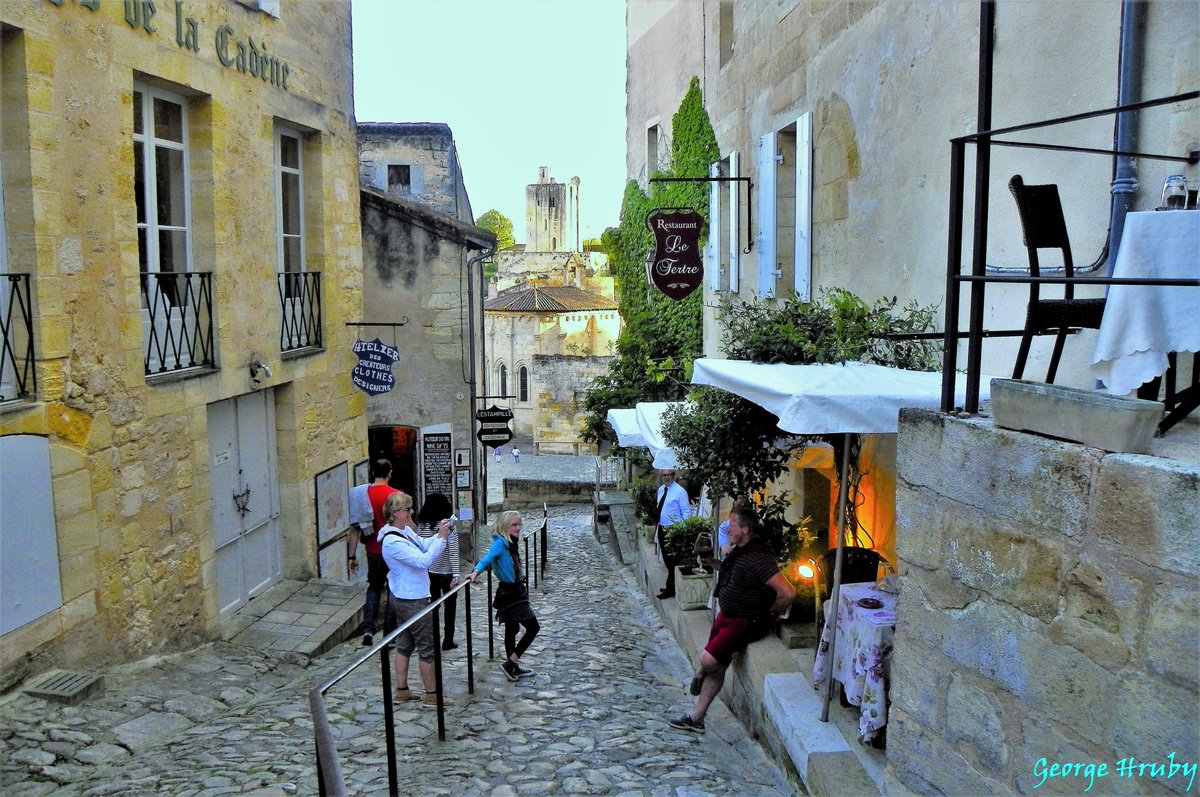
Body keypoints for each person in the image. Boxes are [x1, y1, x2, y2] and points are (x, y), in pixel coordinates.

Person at [669, 504, 795, 734]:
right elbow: (735, 571)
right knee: (718, 668)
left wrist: (769, 614)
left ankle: (699, 673)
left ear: (746, 529)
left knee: (708, 662)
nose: (727, 529)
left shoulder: (759, 557)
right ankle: (697, 718)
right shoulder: (740, 551)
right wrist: (713, 564)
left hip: (743, 622)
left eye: (732, 525)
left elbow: (787, 592)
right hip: (726, 617)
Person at [379, 491, 456, 707]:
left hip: (406, 596)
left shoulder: (403, 532)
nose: (412, 512)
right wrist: (441, 539)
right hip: (411, 599)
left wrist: (441, 532)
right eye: (407, 509)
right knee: (426, 647)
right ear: (395, 513)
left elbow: (423, 544)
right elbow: (423, 561)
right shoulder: (393, 542)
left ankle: (402, 690)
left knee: (405, 644)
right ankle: (432, 695)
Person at [467, 510, 539, 682]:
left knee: (512, 629)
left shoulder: (510, 543)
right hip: (511, 593)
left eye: (519, 524)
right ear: (505, 526)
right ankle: (510, 663)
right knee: (533, 627)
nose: (518, 528)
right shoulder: (500, 544)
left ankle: (511, 666)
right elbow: (488, 558)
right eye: (514, 525)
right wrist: (476, 571)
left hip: (515, 590)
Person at [348, 459, 397, 647]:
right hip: (392, 551)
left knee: (374, 588)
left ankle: (368, 629)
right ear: (389, 473)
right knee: (392, 589)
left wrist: (351, 556)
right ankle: (390, 634)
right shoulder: (395, 496)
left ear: (372, 472)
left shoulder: (362, 495)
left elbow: (354, 529)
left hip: (373, 551)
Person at [414, 493, 460, 650]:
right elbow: (452, 550)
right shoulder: (448, 525)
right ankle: (448, 640)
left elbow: (420, 547)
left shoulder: (422, 525)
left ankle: (432, 640)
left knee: (432, 608)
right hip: (446, 572)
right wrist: (456, 573)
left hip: (429, 572)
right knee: (450, 608)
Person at [654, 469, 692, 599]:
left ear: (674, 476)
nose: (667, 477)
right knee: (666, 559)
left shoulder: (680, 492)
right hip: (662, 528)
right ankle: (671, 585)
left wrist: (680, 530)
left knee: (672, 561)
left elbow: (686, 512)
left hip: (673, 530)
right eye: (664, 475)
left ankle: (670, 589)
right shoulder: (661, 490)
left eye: (669, 475)